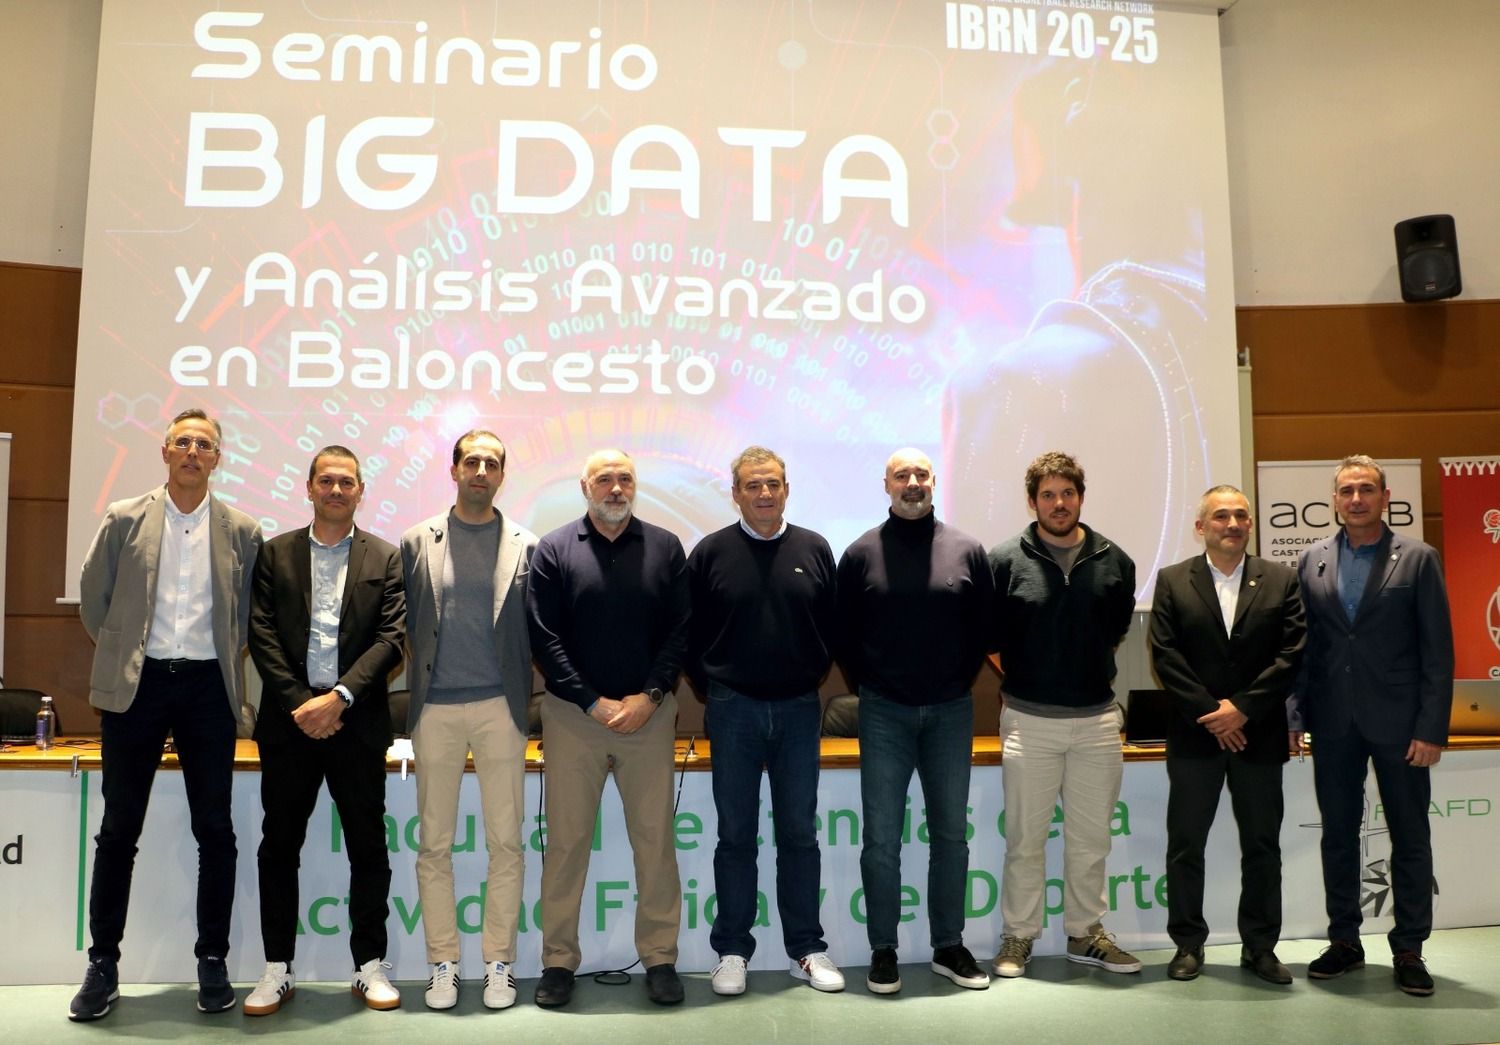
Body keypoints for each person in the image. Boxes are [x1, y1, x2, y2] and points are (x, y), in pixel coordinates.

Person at [70, 408, 262, 1021]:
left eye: (204, 445)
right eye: (183, 442)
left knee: (217, 831)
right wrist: (130, 653)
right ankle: (103, 965)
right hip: (139, 687)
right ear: (165, 452)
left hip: (209, 688)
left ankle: (212, 959)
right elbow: (95, 601)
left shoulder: (242, 531)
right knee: (118, 829)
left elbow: (252, 620)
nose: (193, 453)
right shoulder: (125, 518)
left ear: (217, 458)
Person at [244, 446, 405, 1014]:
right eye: (327, 481)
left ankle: (369, 966)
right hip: (289, 726)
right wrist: (301, 705)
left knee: (368, 845)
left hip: (357, 723)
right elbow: (260, 632)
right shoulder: (274, 554)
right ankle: (276, 968)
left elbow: (391, 639)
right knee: (278, 846)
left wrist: (337, 698)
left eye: (347, 483)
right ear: (308, 488)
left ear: (361, 491)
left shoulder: (386, 557)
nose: (337, 491)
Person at [526, 449, 690, 1008]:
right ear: (584, 486)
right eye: (604, 479)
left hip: (649, 714)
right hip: (575, 718)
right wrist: (592, 702)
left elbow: (680, 630)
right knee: (567, 842)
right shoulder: (553, 549)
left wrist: (650, 695)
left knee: (655, 842)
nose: (615, 488)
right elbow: (544, 636)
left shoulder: (666, 547)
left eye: (625, 479)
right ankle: (557, 963)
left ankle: (661, 958)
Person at [1290, 454, 1454, 997]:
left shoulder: (1419, 558)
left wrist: (1432, 728)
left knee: (1410, 836)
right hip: (1333, 723)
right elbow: (1301, 650)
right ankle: (1345, 942)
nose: (1355, 498)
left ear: (1386, 498)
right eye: (1346, 491)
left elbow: (1438, 652)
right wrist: (1295, 716)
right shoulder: (1311, 560)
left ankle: (1409, 947)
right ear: (1333, 500)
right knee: (1338, 836)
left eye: (1366, 489)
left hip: (1403, 726)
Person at [687, 446, 844, 996]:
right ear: (735, 493)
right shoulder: (709, 553)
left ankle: (807, 947)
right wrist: (716, 688)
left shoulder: (814, 548)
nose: (764, 493)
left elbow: (833, 626)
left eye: (773, 483)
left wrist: (808, 674)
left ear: (786, 488)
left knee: (800, 834)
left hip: (800, 710)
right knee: (736, 837)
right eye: (752, 485)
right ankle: (732, 949)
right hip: (733, 711)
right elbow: (689, 633)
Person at [837, 448, 994, 994]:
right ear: (886, 485)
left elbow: (982, 630)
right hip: (883, 712)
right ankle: (884, 949)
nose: (912, 483)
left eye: (921, 475)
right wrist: (873, 686)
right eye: (901, 476)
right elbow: (845, 637)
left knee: (951, 836)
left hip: (952, 710)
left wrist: (955, 679)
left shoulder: (968, 550)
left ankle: (948, 945)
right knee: (881, 838)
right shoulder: (859, 554)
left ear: (934, 482)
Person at [986, 451, 1139, 979]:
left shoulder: (1114, 560)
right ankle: (1018, 937)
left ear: (1080, 497)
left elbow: (1115, 630)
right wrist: (1031, 676)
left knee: (1091, 838)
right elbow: (992, 640)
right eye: (1047, 495)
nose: (1058, 503)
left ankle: (1086, 933)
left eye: (1067, 493)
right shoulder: (1004, 559)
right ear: (1032, 502)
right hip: (1029, 721)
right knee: (1025, 840)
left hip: (1097, 720)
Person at [401, 430, 537, 1010]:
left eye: (492, 462)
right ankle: (443, 964)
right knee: (435, 844)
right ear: (454, 469)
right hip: (434, 707)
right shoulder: (415, 541)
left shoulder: (528, 545)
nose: (481, 470)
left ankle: (499, 963)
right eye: (472, 460)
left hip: (500, 708)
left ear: (502, 475)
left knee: (506, 842)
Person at [1149, 485, 1306, 984]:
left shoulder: (1282, 579)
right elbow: (1165, 655)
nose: (1233, 524)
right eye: (1221, 516)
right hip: (1196, 736)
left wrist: (1241, 710)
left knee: (1262, 845)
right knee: (1185, 844)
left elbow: (1291, 654)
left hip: (1258, 734)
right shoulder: (1173, 580)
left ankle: (1260, 948)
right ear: (1201, 527)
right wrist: (1213, 714)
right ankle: (1188, 944)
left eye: (1241, 515)